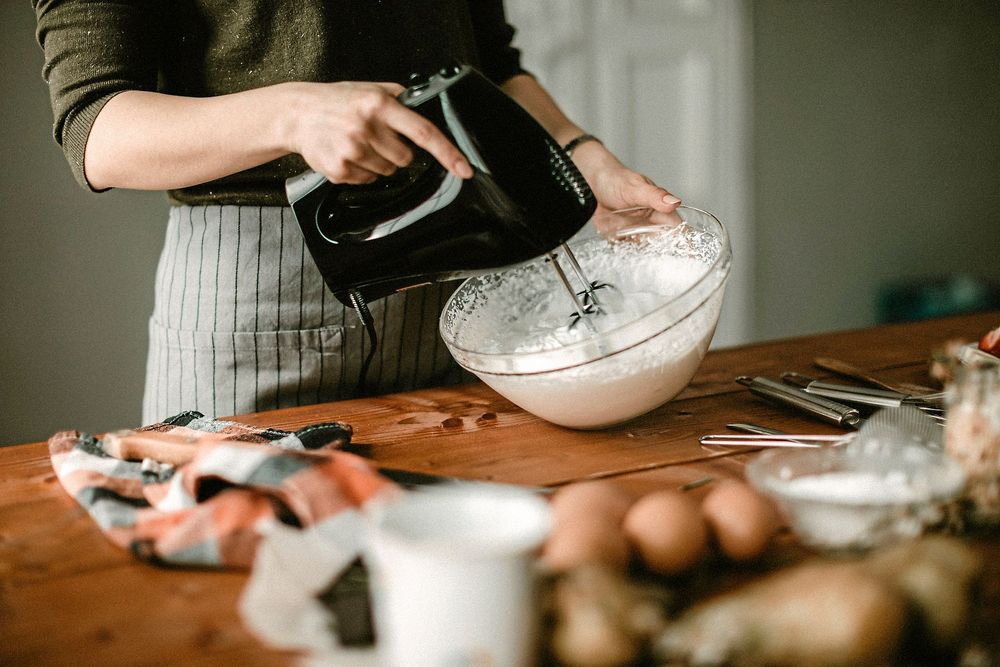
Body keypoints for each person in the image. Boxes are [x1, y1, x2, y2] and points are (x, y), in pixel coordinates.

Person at [33, 0, 681, 424]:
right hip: (254, 303)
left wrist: (579, 154)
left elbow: (493, 65)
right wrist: (293, 115)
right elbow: (96, 128)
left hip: (462, 287)